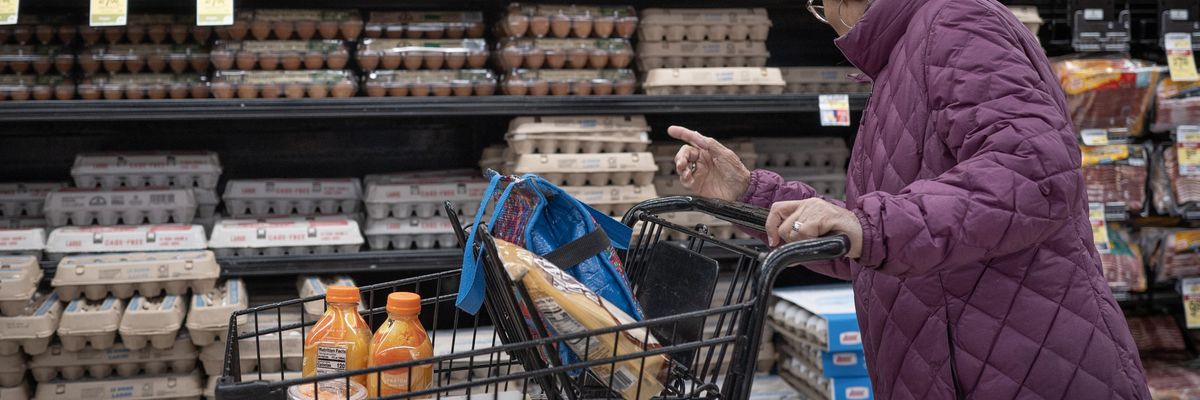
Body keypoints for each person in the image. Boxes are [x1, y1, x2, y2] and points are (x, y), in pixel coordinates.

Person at [669, 0, 1151, 397]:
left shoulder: (958, 22)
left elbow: (1034, 172)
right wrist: (750, 192)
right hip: (955, 364)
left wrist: (871, 228)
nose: (828, 24)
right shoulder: (904, 58)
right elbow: (876, 245)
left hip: (1024, 367)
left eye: (820, 7)